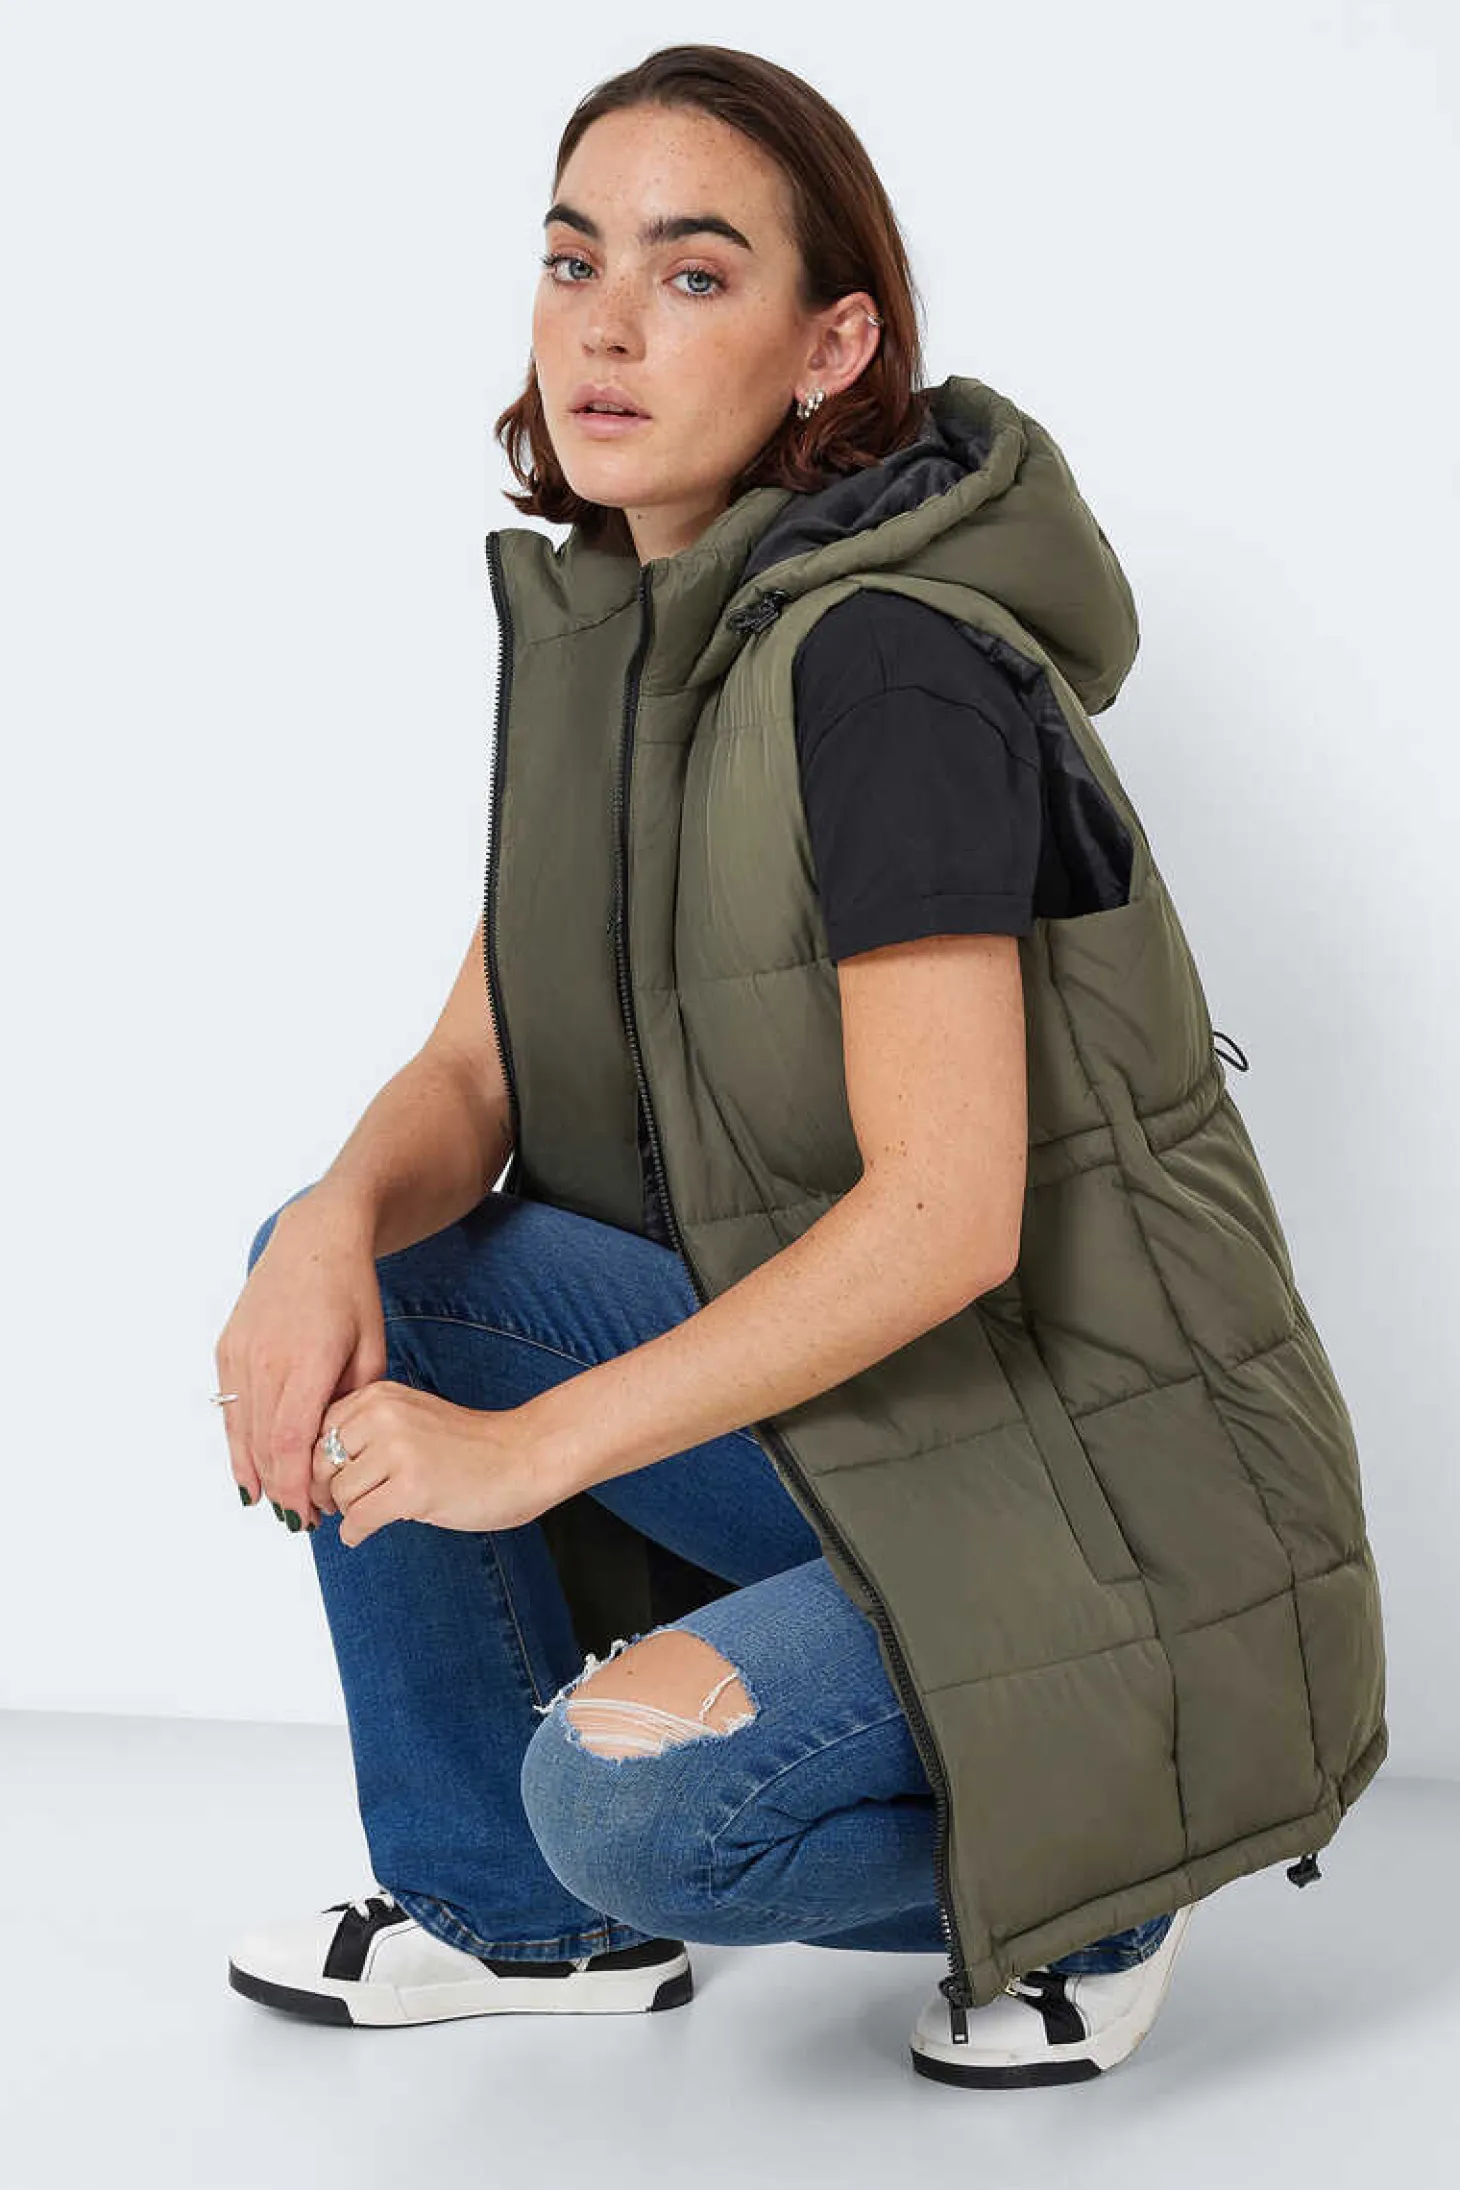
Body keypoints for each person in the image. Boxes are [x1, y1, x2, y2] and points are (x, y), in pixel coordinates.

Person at [215, 44, 1386, 2088]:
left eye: (691, 275)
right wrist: (321, 1231)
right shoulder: (622, 652)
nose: (605, 323)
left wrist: (528, 1448)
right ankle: (510, 1917)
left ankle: (1102, 1868)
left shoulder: (887, 669)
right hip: (879, 1432)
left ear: (828, 346)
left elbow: (944, 1219)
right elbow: (475, 1075)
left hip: (1078, 1483)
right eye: (573, 259)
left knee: (632, 1800)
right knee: (365, 1267)